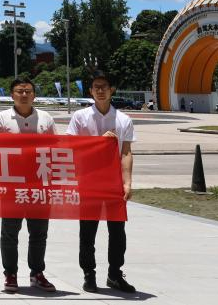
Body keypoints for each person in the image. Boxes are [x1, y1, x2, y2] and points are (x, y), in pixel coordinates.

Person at [66, 71, 136, 293]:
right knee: (88, 230)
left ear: (111, 89)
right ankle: (89, 274)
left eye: (104, 86)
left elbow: (126, 153)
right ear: (90, 91)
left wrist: (127, 182)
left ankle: (115, 274)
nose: (100, 90)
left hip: (114, 182)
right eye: (96, 87)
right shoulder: (80, 117)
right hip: (89, 180)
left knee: (117, 231)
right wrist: (98, 141)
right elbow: (71, 147)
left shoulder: (123, 120)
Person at [0, 78, 57, 293]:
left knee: (39, 232)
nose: (24, 95)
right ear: (12, 95)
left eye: (28, 91)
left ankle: (37, 273)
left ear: (34, 95)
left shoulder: (46, 119)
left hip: (39, 184)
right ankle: (10, 273)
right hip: (12, 185)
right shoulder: (2, 119)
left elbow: (55, 150)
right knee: (10, 231)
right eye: (19, 91)